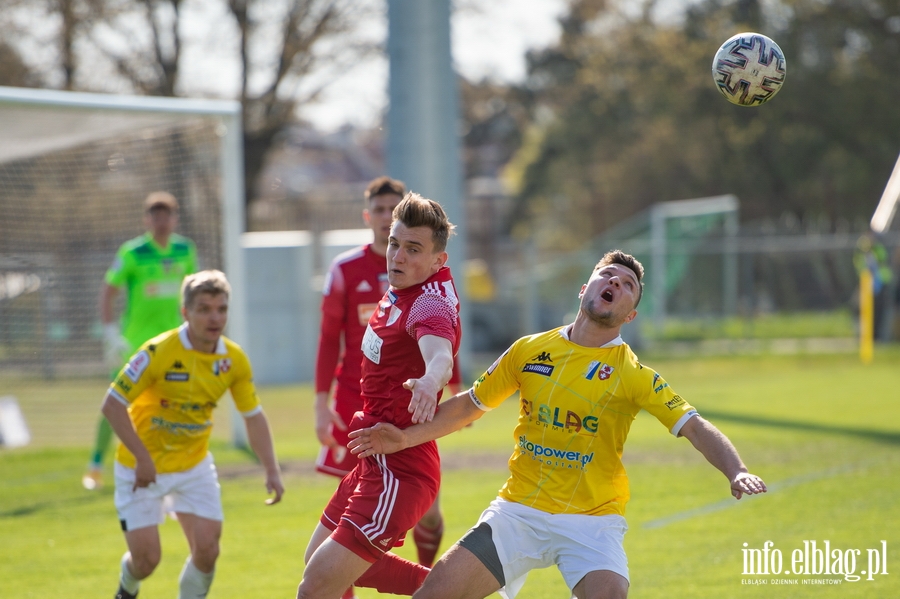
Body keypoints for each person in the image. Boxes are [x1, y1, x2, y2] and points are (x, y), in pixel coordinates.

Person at [349, 250, 767, 599]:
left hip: (593, 521)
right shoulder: (530, 350)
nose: (615, 283)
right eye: (608, 275)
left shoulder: (634, 374)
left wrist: (738, 470)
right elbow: (469, 407)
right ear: (585, 289)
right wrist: (404, 437)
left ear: (631, 314)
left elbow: (694, 426)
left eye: (627, 285)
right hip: (518, 512)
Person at [297, 192, 462, 599]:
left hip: (400, 470)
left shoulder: (428, 304)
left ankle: (457, 590)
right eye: (394, 243)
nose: (398, 256)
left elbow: (439, 350)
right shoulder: (401, 288)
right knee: (317, 563)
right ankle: (455, 590)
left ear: (438, 261)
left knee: (316, 586)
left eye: (413, 249)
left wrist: (430, 380)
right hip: (375, 458)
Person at [101, 270, 284, 599]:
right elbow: (112, 405)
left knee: (208, 550)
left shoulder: (234, 359)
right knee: (146, 561)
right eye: (204, 309)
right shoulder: (158, 352)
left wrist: (271, 468)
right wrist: (143, 459)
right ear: (185, 312)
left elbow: (253, 417)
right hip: (140, 467)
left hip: (193, 466)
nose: (215, 318)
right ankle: (126, 588)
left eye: (221, 309)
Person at [84, 191, 198, 490]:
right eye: (155, 216)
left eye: (167, 215)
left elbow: (192, 294)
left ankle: (170, 467)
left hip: (172, 344)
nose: (161, 222)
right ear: (147, 219)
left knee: (172, 405)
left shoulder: (185, 250)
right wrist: (110, 334)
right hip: (133, 344)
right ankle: (95, 465)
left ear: (175, 218)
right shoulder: (132, 253)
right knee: (115, 402)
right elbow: (109, 291)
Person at [853, 230, 894, 342]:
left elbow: (883, 258)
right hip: (867, 285)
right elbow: (860, 265)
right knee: (863, 313)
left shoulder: (879, 248)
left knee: (880, 313)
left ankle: (879, 337)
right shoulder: (861, 251)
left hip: (881, 285)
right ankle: (865, 337)